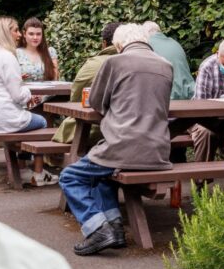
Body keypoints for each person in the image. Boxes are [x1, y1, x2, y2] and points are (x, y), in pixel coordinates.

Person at [58, 23, 173, 256]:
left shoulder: (115, 62)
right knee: (104, 179)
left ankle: (97, 228)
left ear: (119, 45)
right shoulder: (166, 65)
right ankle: (115, 228)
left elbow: (97, 103)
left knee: (70, 176)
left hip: (122, 147)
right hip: (158, 151)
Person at [0, 16, 56, 186]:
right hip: (5, 118)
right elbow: (18, 95)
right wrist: (27, 91)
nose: (19, 35)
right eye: (16, 30)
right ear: (6, 33)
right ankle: (38, 174)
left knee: (30, 117)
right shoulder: (7, 57)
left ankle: (24, 167)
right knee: (41, 122)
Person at [52, 21, 121, 145]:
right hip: (130, 130)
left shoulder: (94, 64)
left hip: (94, 129)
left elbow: (76, 97)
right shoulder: (141, 63)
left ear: (104, 43)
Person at [142, 21, 195, 100]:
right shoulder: (174, 43)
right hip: (188, 92)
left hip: (169, 96)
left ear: (144, 34)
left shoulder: (147, 45)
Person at [16, 17, 60, 81]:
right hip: (24, 90)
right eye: (31, 34)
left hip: (47, 90)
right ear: (24, 34)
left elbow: (55, 79)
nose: (35, 37)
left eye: (38, 34)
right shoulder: (16, 53)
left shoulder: (50, 52)